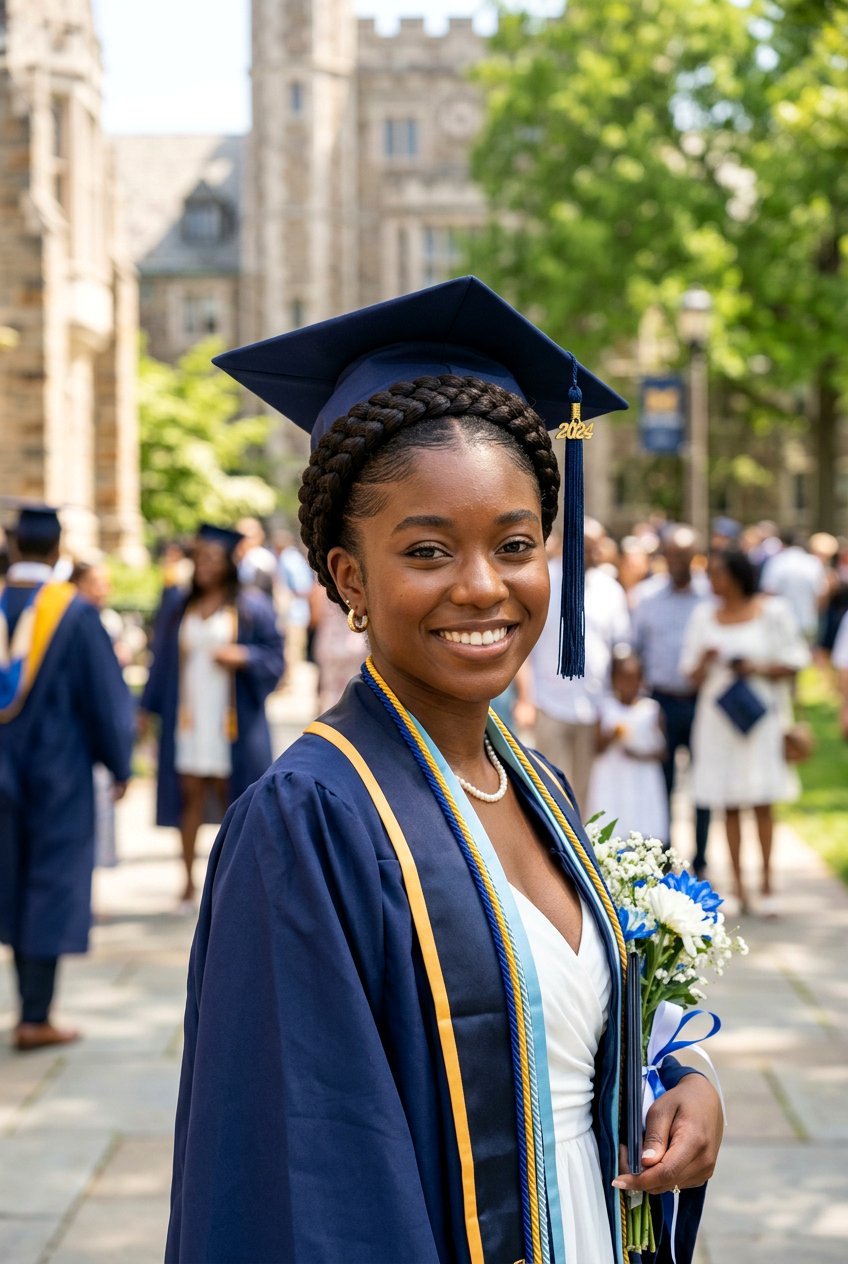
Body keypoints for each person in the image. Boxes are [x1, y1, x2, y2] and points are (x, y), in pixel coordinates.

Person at [166, 278, 722, 1264]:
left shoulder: (537, 786)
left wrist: (673, 1086)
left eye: (514, 544)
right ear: (348, 577)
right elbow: (312, 1185)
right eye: (426, 549)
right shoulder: (308, 823)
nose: (480, 584)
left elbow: (546, 1050)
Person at [0, 506, 134, 1050]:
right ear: (57, 552)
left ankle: (29, 1007)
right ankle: (36, 1015)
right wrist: (119, 762)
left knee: (10, 878)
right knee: (50, 883)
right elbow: (105, 699)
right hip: (59, 773)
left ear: (12, 548)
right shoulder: (74, 614)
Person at [140, 524, 284, 905]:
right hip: (189, 714)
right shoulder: (177, 605)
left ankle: (234, 883)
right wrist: (146, 709)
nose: (203, 565)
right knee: (188, 794)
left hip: (231, 718)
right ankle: (187, 881)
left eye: (212, 559)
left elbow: (275, 658)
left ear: (228, 564)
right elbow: (161, 661)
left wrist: (245, 656)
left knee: (232, 799)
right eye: (199, 558)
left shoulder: (251, 606)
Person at [680, 548, 809, 915]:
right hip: (718, 720)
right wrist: (706, 661)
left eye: (718, 572)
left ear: (737, 575)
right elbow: (688, 674)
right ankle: (738, 889)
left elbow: (796, 660)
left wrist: (756, 667)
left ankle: (768, 884)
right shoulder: (704, 615)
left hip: (761, 718)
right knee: (729, 803)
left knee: (763, 800)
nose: (712, 580)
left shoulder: (772, 612)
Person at [518, 519, 631, 813]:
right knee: (551, 794)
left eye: (597, 548)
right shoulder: (543, 583)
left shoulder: (610, 590)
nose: (594, 554)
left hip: (594, 710)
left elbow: (621, 652)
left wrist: (614, 712)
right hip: (550, 705)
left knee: (585, 797)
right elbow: (523, 649)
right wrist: (527, 700)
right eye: (587, 548)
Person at [631, 525, 712, 875]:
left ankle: (702, 859)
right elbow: (635, 649)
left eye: (684, 555)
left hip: (701, 702)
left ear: (695, 555)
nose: (678, 562)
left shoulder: (710, 596)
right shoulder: (647, 597)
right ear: (663, 557)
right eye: (672, 555)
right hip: (661, 700)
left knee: (703, 784)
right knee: (660, 783)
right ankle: (663, 858)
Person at [586, 650, 668, 841]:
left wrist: (640, 754)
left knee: (643, 819)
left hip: (642, 778)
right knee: (613, 818)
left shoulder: (651, 710)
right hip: (612, 777)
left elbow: (663, 751)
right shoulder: (605, 708)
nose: (627, 684)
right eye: (622, 679)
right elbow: (595, 747)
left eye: (632, 679)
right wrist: (612, 736)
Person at [759, 529, 828, 643]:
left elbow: (768, 592)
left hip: (780, 623)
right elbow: (821, 595)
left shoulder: (777, 561)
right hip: (807, 621)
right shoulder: (813, 563)